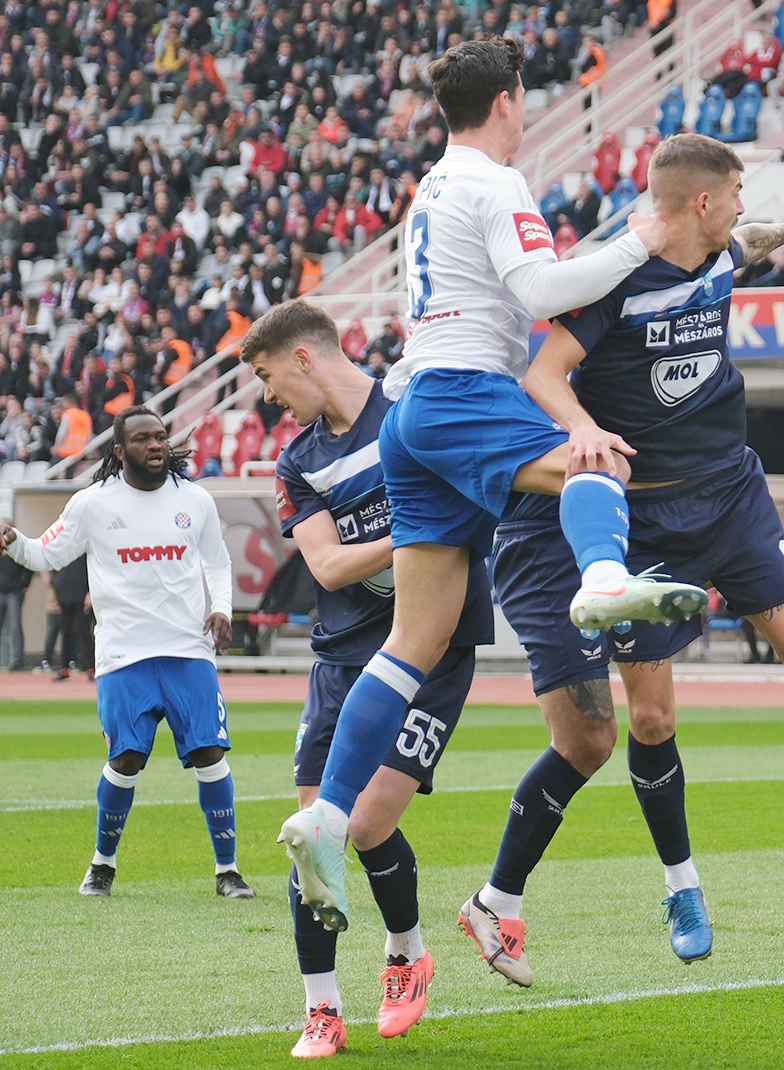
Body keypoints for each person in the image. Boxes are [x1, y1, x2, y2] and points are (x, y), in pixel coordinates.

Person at [470, 134, 784, 981]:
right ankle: (682, 886)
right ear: (698, 200)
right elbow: (544, 373)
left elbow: (749, 241)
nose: (739, 205)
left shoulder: (721, 245)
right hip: (645, 517)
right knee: (651, 719)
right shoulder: (615, 277)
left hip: (729, 490)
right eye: (734, 191)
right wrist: (581, 430)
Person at [279, 38, 701, 938]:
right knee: (599, 459)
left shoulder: (432, 186)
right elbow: (541, 287)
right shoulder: (495, 181)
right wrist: (641, 240)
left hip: (414, 409)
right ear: (510, 99)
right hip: (464, 391)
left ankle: (325, 817)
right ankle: (602, 582)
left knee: (412, 638)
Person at [243, 301, 495, 1055]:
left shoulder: (413, 413)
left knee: (367, 822)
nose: (265, 396)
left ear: (304, 359)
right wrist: (419, 529)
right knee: (312, 836)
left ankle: (406, 953)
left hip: (434, 651)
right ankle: (321, 1008)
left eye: (266, 376)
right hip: (343, 653)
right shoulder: (299, 461)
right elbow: (325, 564)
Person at [1, 407, 250, 901]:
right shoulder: (92, 504)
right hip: (122, 654)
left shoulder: (195, 500)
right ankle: (103, 864)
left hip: (188, 650)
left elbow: (217, 563)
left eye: (160, 437)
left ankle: (228, 870)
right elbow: (47, 553)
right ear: (119, 451)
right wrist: (13, 543)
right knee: (127, 758)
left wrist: (221, 609)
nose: (155, 445)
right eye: (142, 439)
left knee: (210, 753)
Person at [0, 531, 30, 671]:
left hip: (13, 592)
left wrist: (25, 585)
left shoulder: (17, 549)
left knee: (15, 626)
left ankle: (18, 660)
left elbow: (28, 566)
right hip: (1, 591)